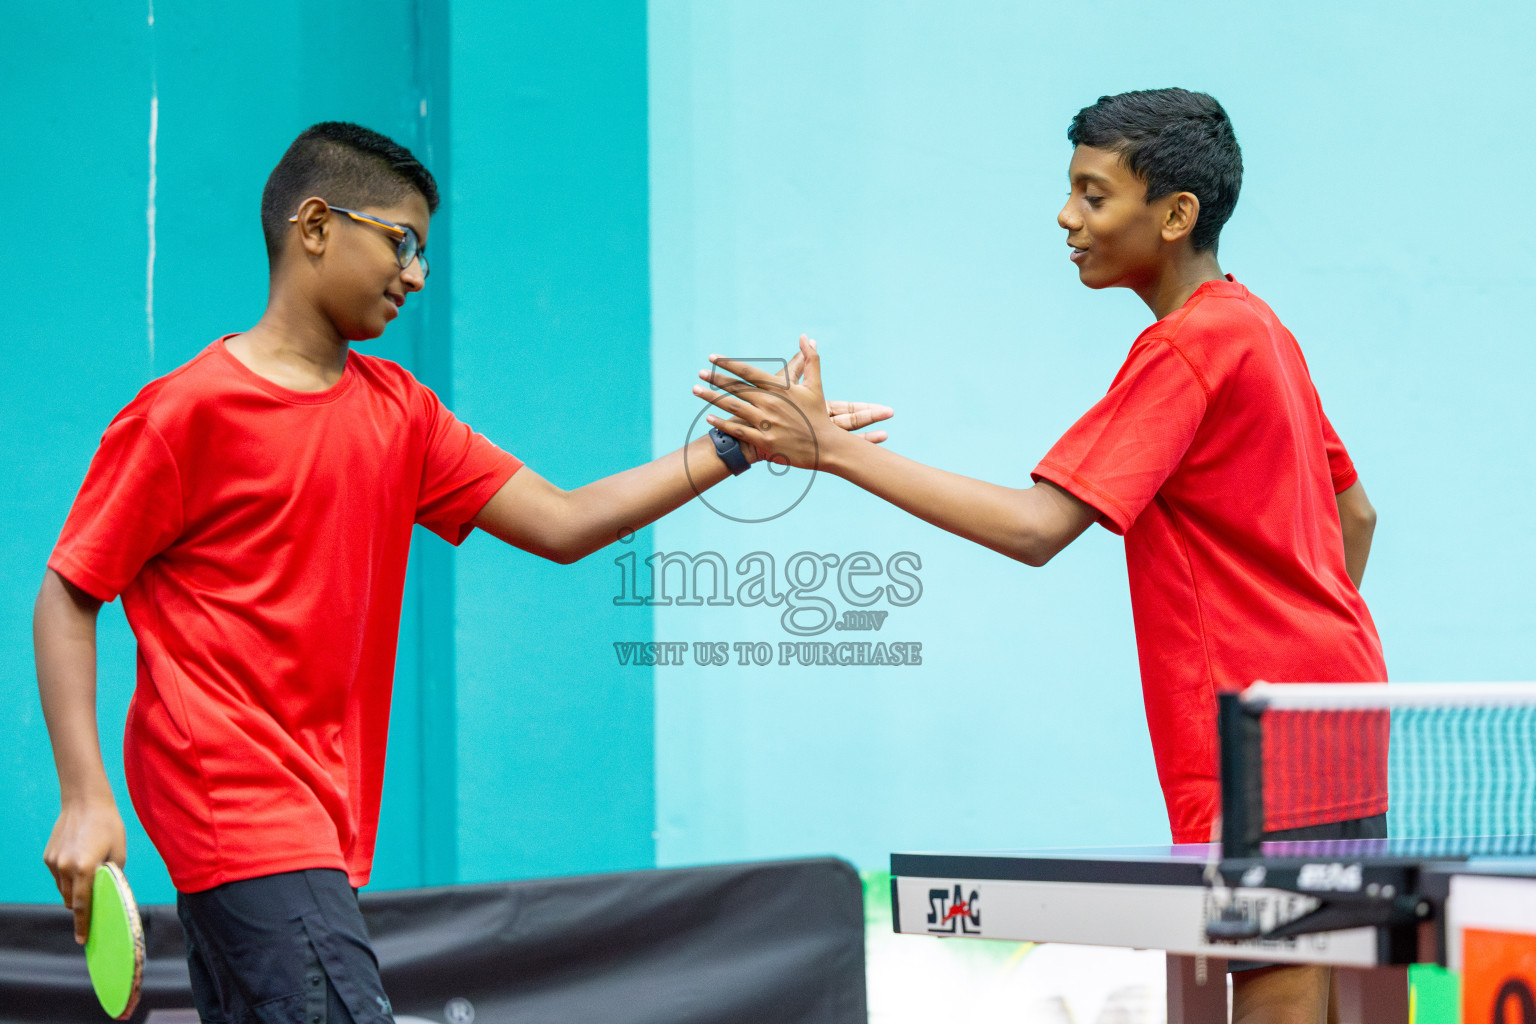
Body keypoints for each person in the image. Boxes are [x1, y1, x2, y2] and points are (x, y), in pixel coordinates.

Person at [35, 121, 890, 1024]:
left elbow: (563, 522)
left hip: (315, 824)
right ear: (317, 224)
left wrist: (737, 447)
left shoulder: (401, 413)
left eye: (424, 255)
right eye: (400, 243)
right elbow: (70, 589)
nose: (416, 275)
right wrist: (85, 799)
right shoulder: (185, 415)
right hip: (236, 800)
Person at [698, 89, 1386, 1024]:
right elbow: (1357, 515)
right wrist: (1302, 634)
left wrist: (829, 448)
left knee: (1282, 996)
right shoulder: (1261, 330)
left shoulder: (1186, 348)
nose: (1067, 217)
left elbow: (1036, 529)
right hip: (1340, 712)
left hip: (1256, 736)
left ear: (1175, 214)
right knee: (1348, 996)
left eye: (1094, 196)